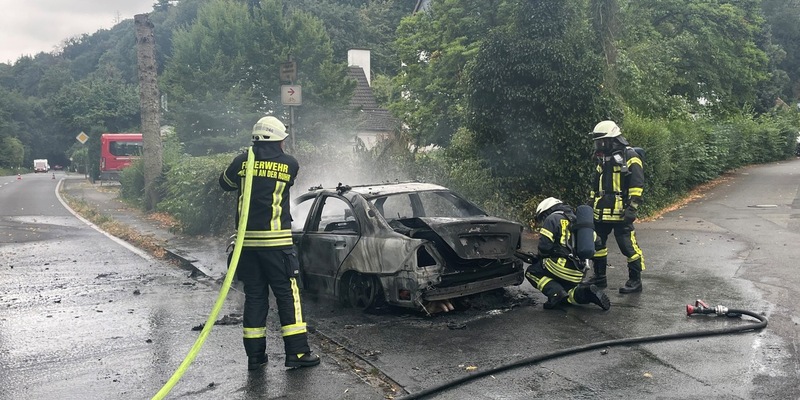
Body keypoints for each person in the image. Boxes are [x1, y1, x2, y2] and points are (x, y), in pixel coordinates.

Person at [219, 116, 320, 371]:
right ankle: (297, 354)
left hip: (247, 246)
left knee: (255, 297)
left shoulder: (242, 161)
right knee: (288, 295)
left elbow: (225, 183)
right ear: (277, 141)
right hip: (277, 245)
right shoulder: (289, 164)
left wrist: (245, 165)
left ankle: (255, 357)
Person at [587, 120, 646, 294]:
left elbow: (637, 185)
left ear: (613, 139)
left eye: (602, 141)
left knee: (628, 246)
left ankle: (635, 281)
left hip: (621, 213)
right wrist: (590, 202)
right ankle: (599, 278)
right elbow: (595, 183)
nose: (599, 145)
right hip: (601, 212)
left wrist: (632, 208)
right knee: (597, 244)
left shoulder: (631, 157)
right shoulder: (602, 158)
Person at [524, 197, 611, 310]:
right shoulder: (579, 222)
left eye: (542, 217)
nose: (543, 221)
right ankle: (586, 293)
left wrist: (541, 258)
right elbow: (599, 244)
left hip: (559, 267)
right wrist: (600, 274)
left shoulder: (552, 219)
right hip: (578, 272)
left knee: (532, 272)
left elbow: (544, 247)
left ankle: (555, 293)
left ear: (546, 211)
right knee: (568, 292)